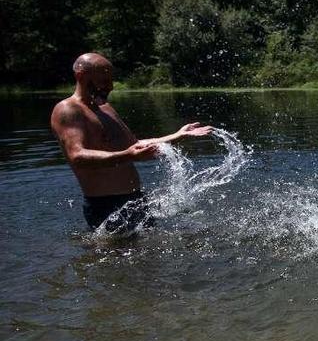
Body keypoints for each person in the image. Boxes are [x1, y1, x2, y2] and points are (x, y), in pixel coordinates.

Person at [50, 52, 214, 233]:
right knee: (112, 259)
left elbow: (134, 145)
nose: (111, 87)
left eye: (112, 80)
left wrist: (178, 135)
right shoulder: (68, 109)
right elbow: (77, 155)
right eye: (104, 81)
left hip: (136, 200)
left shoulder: (106, 109)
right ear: (81, 76)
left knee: (149, 258)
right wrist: (127, 155)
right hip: (105, 205)